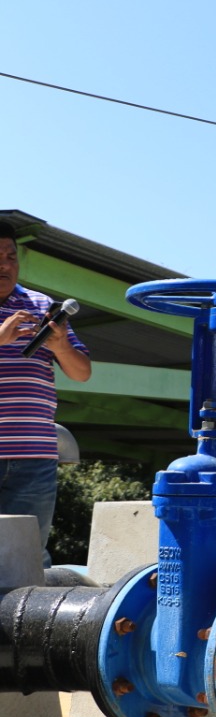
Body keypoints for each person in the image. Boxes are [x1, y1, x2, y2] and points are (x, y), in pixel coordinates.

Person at [0, 221, 92, 566]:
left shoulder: (42, 306)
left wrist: (62, 345)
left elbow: (82, 373)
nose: (6, 265)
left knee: (26, 559)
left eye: (11, 257)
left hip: (34, 456)